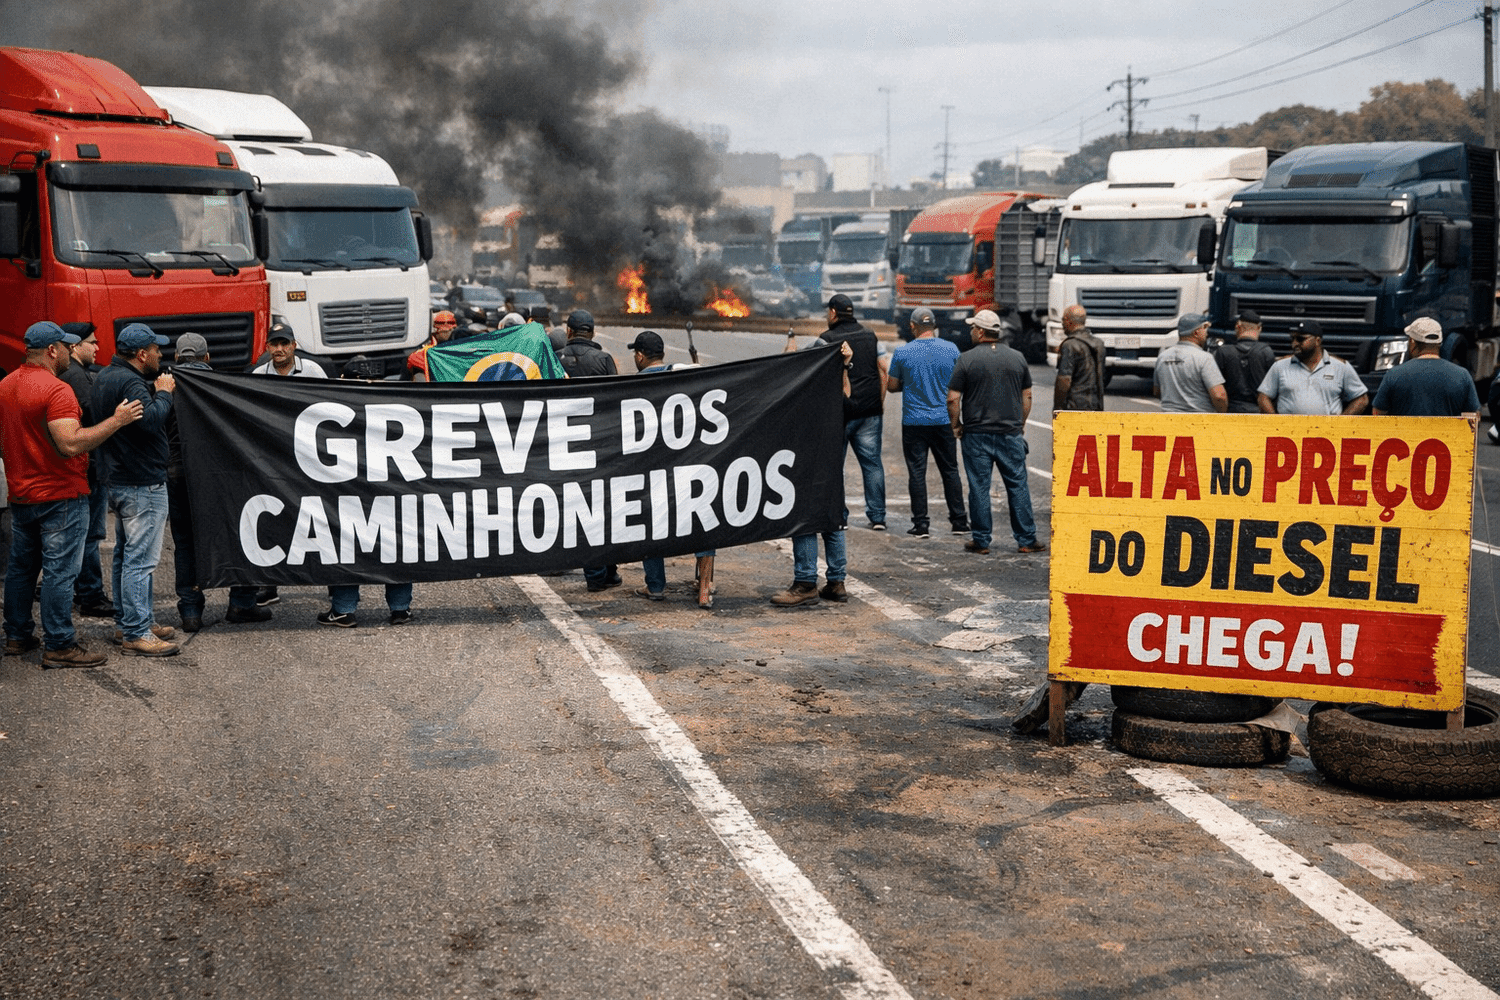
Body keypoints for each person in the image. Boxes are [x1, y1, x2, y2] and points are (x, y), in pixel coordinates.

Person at [2, 323, 142, 668]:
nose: (69, 351)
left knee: (21, 569)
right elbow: (70, 443)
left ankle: (17, 636)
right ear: (52, 350)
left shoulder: (5, 385)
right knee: (60, 572)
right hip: (60, 494)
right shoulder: (57, 389)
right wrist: (118, 420)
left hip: (22, 494)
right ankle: (60, 644)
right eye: (65, 346)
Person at [164, 334, 268, 631]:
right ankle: (242, 602)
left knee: (185, 544)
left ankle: (191, 611)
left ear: (177, 358)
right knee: (237, 535)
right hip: (220, 476)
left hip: (179, 473)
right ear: (207, 357)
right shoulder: (224, 386)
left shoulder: (165, 387)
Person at [90, 323, 181, 657]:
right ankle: (136, 631)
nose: (160, 354)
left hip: (117, 479)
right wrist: (165, 392)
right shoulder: (131, 381)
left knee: (125, 556)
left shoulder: (103, 376)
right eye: (156, 349)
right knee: (140, 561)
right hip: (142, 482)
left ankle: (129, 621)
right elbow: (151, 420)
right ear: (142, 354)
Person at [627, 331, 717, 608]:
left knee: (651, 526)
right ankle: (704, 586)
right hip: (687, 466)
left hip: (651, 470)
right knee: (703, 522)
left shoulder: (629, 386)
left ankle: (655, 586)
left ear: (640, 355)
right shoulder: (678, 375)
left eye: (635, 354)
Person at [948, 309, 1044, 556]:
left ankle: (981, 540)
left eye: (973, 328)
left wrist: (956, 425)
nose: (971, 331)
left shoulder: (966, 359)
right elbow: (1027, 395)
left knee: (979, 486)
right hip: (1010, 433)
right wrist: (1020, 423)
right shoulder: (1017, 358)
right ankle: (1025, 539)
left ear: (980, 332)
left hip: (976, 434)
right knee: (1017, 484)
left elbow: (952, 398)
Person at [788, 293, 887, 530]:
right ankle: (878, 517)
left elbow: (793, 361)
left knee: (835, 465)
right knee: (872, 464)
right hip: (870, 411)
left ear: (833, 312)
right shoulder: (871, 337)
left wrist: (791, 336)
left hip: (840, 412)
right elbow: (884, 370)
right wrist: (879, 402)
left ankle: (839, 515)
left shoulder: (825, 340)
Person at [771, 342, 858, 607]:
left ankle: (806, 583)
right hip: (831, 464)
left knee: (805, 518)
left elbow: (780, 388)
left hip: (807, 464)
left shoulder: (801, 395)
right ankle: (836, 582)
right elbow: (847, 394)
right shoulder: (833, 393)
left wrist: (789, 357)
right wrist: (844, 366)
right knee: (833, 517)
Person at [886, 307, 968, 538]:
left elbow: (892, 386)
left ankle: (921, 524)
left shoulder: (902, 353)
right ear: (933, 326)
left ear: (912, 326)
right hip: (943, 421)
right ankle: (959, 521)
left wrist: (910, 384)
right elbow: (958, 385)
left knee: (917, 473)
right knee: (950, 470)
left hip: (914, 422)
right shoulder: (951, 349)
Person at [54, 321, 114, 618]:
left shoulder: (71, 374)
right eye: (92, 342)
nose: (97, 347)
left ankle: (81, 589)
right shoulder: (77, 378)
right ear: (74, 346)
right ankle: (90, 594)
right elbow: (93, 417)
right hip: (88, 468)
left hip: (81, 467)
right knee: (90, 535)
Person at [1371, 317, 1482, 418]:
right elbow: (1474, 417)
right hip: (1445, 439)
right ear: (1439, 343)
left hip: (1405, 439)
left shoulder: (1394, 374)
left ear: (1412, 342)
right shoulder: (1462, 375)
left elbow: (1378, 413)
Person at [1256, 319, 1369, 416]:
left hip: (1326, 435)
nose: (1294, 344)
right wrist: (1275, 422)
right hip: (1289, 434)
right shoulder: (1280, 366)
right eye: (1293, 339)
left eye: (1300, 339)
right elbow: (1263, 397)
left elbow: (1361, 399)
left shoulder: (1340, 366)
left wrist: (1341, 423)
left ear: (1317, 341)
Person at [1154, 313, 1228, 413]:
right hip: (1199, 421)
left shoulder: (1163, 357)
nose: (1206, 333)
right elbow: (1219, 396)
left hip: (1169, 419)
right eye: (1204, 328)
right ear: (1196, 332)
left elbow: (1157, 391)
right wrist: (1222, 415)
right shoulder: (1204, 358)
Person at [1213, 310, 1276, 414]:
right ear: (1259, 328)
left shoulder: (1223, 352)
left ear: (1238, 326)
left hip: (1231, 411)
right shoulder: (1266, 351)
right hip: (1259, 413)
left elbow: (1217, 389)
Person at [1053, 304, 1106, 412]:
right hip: (1096, 405)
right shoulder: (1099, 344)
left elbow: (1064, 379)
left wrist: (1058, 408)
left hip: (1074, 406)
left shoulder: (1070, 345)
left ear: (1068, 321)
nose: (1062, 324)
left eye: (1063, 320)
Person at [252, 320, 327, 378]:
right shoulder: (259, 374)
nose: (279, 349)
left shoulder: (312, 369)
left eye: (284, 344)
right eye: (274, 344)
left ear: (294, 345)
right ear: (267, 347)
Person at [559, 309, 618, 378]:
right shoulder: (604, 359)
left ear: (569, 331)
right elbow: (615, 387)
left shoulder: (555, 358)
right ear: (593, 334)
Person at [406, 310, 457, 381]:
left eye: (452, 327)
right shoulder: (424, 349)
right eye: (446, 328)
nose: (450, 330)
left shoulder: (457, 342)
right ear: (435, 329)